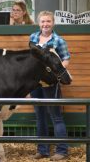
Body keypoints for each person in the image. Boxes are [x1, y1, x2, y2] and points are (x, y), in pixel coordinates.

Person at [30, 11, 70, 161]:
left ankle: (62, 151)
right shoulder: (33, 37)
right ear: (39, 23)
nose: (45, 24)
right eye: (42, 21)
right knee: (40, 116)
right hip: (35, 83)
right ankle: (43, 150)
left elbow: (65, 60)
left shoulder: (59, 40)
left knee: (56, 117)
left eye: (48, 21)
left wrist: (54, 74)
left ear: (53, 23)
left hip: (50, 83)